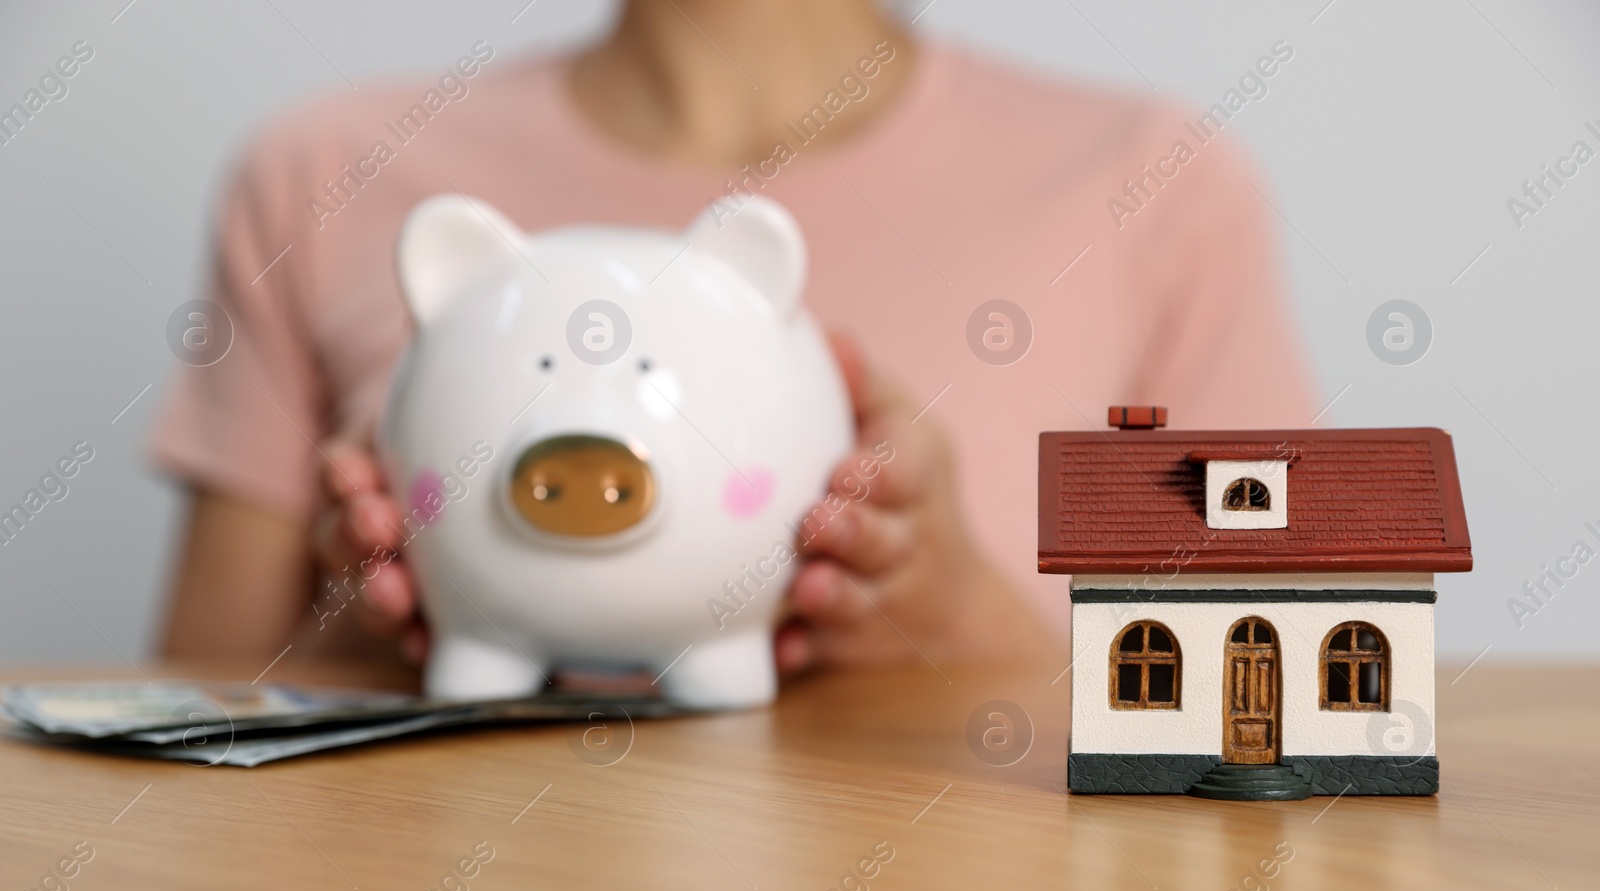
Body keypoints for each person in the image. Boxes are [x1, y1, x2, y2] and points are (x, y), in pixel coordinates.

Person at [153, 0, 1316, 678]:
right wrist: (379, 608)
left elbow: (1261, 715)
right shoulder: (320, 171)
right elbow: (192, 723)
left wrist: (962, 624)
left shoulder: (1156, 189)